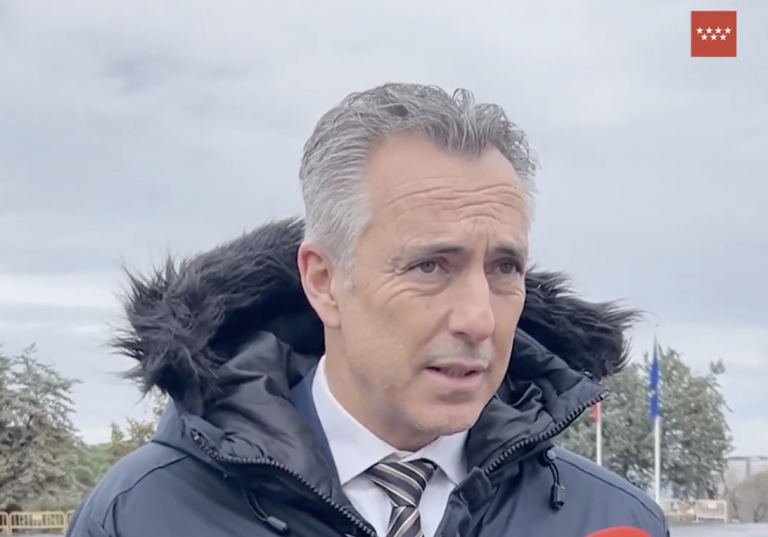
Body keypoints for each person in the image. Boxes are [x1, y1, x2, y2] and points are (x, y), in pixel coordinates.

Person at [66, 83, 669, 537]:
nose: (479, 319)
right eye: (430, 266)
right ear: (324, 281)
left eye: (504, 268)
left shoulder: (611, 519)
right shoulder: (140, 513)